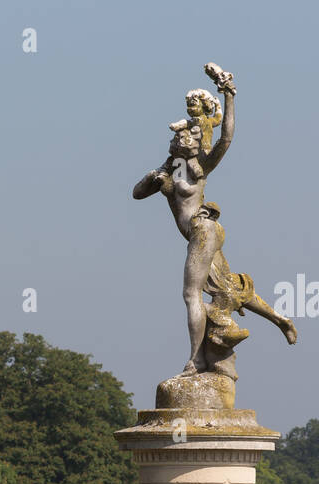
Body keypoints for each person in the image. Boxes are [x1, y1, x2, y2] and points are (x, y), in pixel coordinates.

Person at [132, 63, 297, 374]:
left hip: (202, 231)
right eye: (179, 135)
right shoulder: (172, 168)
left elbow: (226, 139)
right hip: (201, 236)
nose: (181, 138)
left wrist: (230, 97)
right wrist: (152, 177)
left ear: (197, 140)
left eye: (188, 134)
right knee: (229, 287)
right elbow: (137, 194)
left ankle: (195, 359)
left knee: (190, 292)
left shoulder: (198, 166)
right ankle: (280, 320)